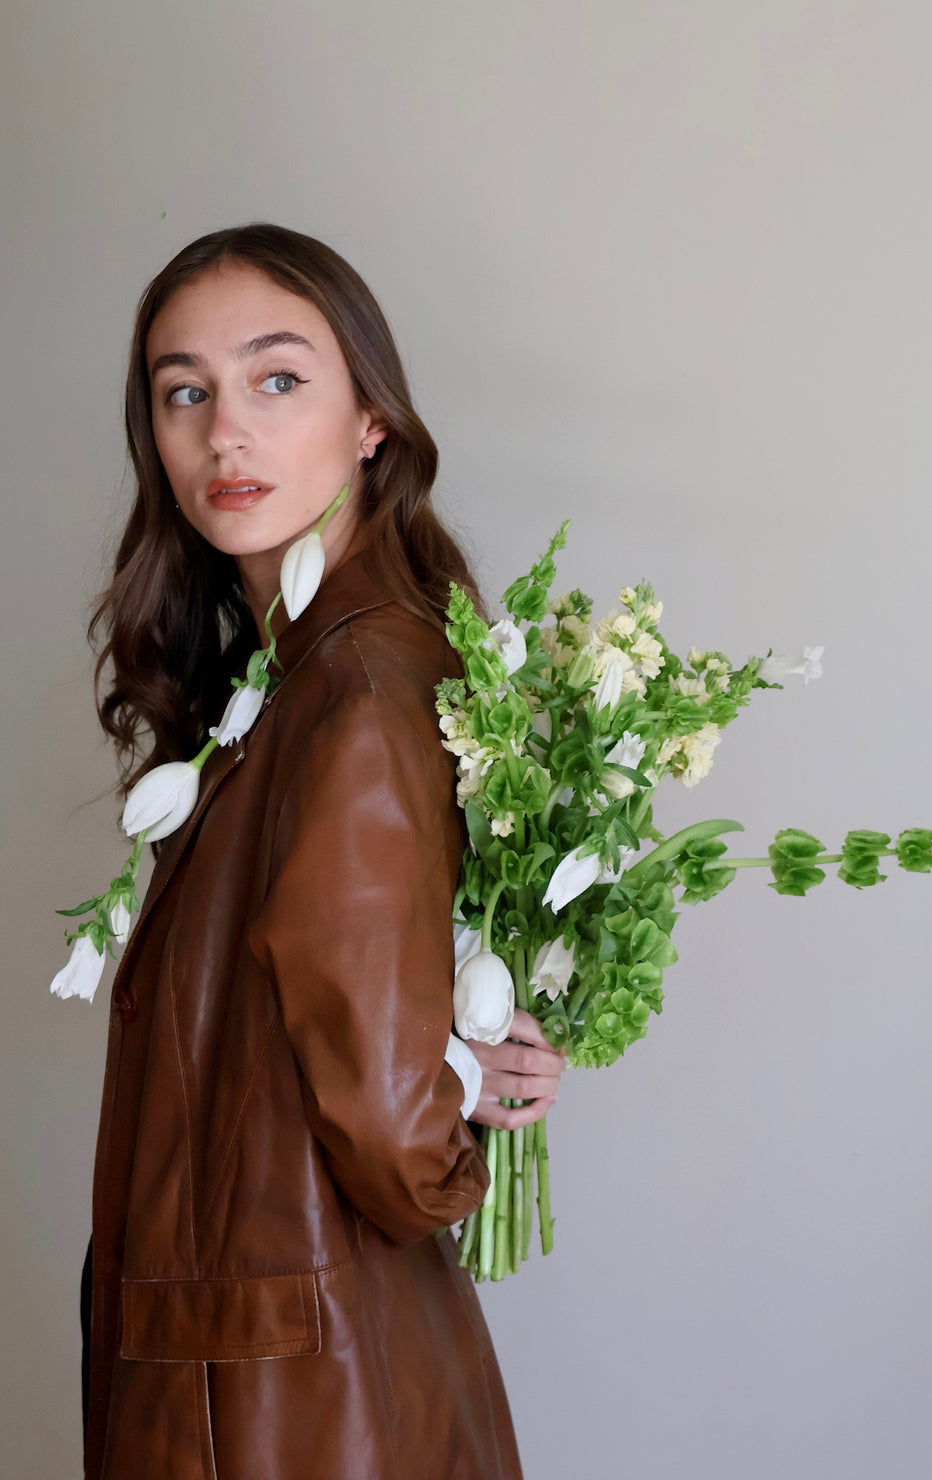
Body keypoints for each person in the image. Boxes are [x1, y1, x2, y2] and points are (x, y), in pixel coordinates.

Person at [79, 222, 567, 1479]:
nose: (225, 433)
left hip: (282, 1408)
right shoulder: (293, 678)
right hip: (296, 1376)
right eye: (185, 393)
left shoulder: (354, 692)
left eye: (277, 378)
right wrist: (462, 1065)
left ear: (370, 421)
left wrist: (447, 1111)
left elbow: (393, 1134)